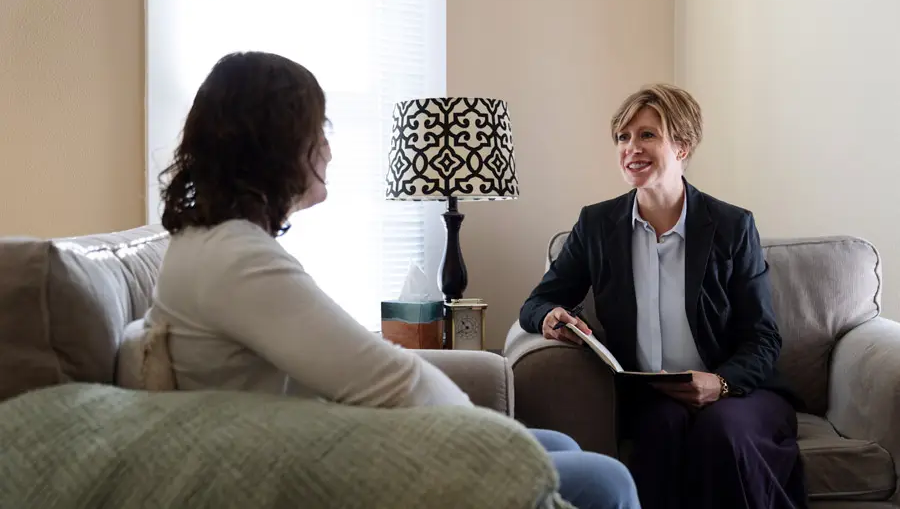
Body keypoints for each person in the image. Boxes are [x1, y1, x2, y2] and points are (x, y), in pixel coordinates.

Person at [146, 51, 640, 509]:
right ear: (274, 145)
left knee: (561, 444)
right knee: (606, 480)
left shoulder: (214, 244)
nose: (329, 151)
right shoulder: (237, 258)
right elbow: (392, 380)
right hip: (305, 462)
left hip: (310, 435)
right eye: (318, 131)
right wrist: (493, 441)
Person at [519, 83, 808, 509]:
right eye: (623, 137)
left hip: (739, 393)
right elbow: (536, 304)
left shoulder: (731, 226)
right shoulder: (597, 225)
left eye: (647, 135)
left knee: (721, 432)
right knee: (659, 431)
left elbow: (763, 337)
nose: (631, 148)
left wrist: (721, 383)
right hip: (652, 396)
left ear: (683, 146)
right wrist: (551, 316)